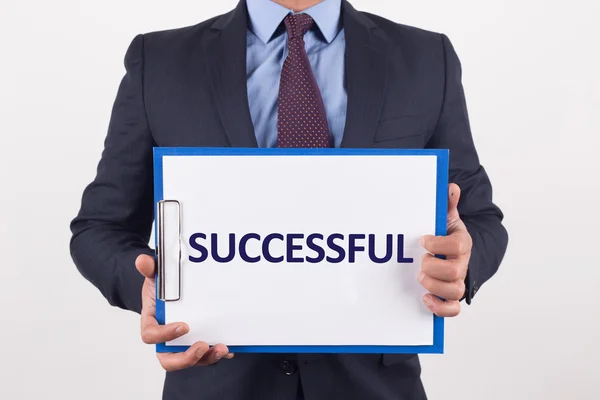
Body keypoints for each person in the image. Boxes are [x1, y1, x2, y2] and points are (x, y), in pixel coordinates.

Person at [69, 0, 508, 399]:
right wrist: (150, 288)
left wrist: (463, 259)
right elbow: (100, 228)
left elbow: (478, 218)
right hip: (217, 381)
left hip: (373, 388)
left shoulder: (425, 58)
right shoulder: (161, 61)